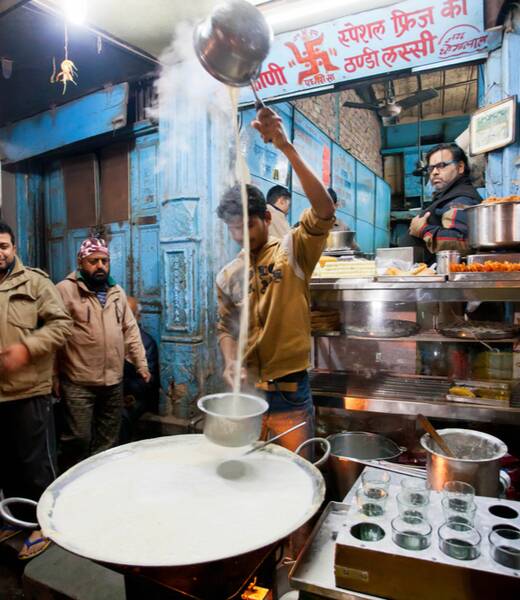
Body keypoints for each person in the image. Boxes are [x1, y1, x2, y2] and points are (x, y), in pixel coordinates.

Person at [216, 107, 335, 453]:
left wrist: (286, 147)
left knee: (297, 473)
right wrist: (230, 360)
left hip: (289, 392)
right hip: (246, 395)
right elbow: (225, 327)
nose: (240, 236)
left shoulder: (293, 251)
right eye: (233, 229)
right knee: (251, 478)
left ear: (266, 217)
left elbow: (324, 210)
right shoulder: (227, 275)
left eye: (247, 226)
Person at [0, 221, 72, 560]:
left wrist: (27, 349)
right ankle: (19, 520)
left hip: (30, 391)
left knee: (36, 466)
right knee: (7, 464)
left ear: (14, 247)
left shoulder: (35, 282)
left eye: (3, 246)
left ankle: (44, 526)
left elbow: (61, 325)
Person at [55, 237, 150, 468]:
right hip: (79, 381)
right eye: (94, 261)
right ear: (81, 262)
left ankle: (97, 484)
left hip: (112, 382)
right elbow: (54, 336)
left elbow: (130, 330)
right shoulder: (64, 290)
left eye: (104, 261)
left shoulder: (116, 291)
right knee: (78, 439)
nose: (100, 266)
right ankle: (69, 485)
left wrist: (141, 364)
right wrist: (52, 375)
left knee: (108, 441)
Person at [409, 143, 482, 261]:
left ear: (460, 167)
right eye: (431, 168)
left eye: (441, 165)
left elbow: (461, 242)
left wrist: (423, 230)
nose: (434, 172)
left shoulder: (461, 199)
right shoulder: (448, 195)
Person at [120, 296, 160, 443]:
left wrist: (124, 388)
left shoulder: (146, 342)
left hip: (135, 397)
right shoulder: (110, 337)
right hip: (111, 393)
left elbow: (149, 382)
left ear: (138, 317)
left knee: (122, 416)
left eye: (129, 315)